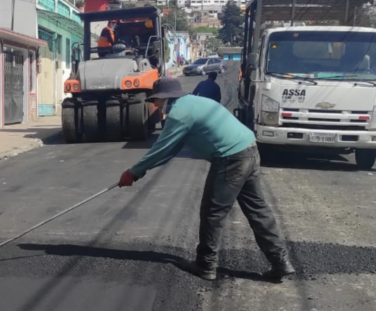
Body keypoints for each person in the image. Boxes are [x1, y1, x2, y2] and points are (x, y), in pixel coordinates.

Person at [117, 78, 294, 281]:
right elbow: (171, 149)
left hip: (230, 159)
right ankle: (281, 262)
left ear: (162, 98)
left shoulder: (178, 114)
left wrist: (133, 172)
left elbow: (161, 148)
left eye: (154, 101)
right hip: (250, 150)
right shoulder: (196, 102)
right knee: (258, 211)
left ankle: (206, 265)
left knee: (213, 212)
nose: (154, 105)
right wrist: (140, 172)